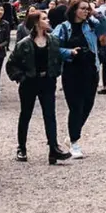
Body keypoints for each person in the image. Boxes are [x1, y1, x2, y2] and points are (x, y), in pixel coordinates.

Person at [6, 10, 73, 165]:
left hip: (47, 81)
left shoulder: (53, 40)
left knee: (50, 115)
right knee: (26, 114)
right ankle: (21, 148)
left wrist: (55, 73)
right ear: (36, 23)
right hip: (29, 82)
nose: (48, 20)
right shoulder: (24, 44)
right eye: (44, 18)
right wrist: (21, 77)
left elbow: (58, 58)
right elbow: (11, 64)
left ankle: (54, 149)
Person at [53, 0, 106, 159]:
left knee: (88, 105)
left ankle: (72, 134)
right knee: (76, 107)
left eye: (88, 9)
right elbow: (53, 47)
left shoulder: (91, 26)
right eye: (83, 8)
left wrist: (95, 13)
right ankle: (74, 142)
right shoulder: (63, 28)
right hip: (72, 71)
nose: (86, 11)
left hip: (90, 70)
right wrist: (69, 52)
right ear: (74, 10)